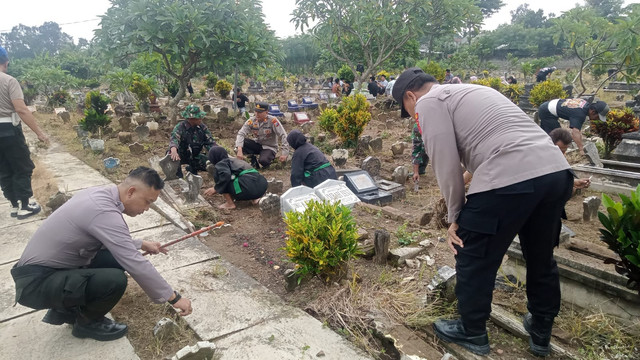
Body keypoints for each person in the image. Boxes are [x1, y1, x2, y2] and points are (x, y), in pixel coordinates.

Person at [393, 67, 573, 357]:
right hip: (555, 173)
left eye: (407, 109)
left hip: (510, 178)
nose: (413, 117)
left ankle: (472, 330)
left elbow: (445, 164)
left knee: (472, 252)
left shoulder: (428, 103)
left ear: (410, 96)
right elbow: (494, 145)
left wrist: (454, 218)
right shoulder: (474, 90)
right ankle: (540, 330)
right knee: (541, 256)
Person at [10, 167, 193, 341]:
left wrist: (141, 244)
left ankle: (67, 309)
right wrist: (173, 298)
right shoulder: (103, 211)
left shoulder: (98, 195)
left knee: (113, 260)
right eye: (148, 202)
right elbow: (134, 262)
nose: (147, 208)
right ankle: (86, 323)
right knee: (114, 280)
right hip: (36, 283)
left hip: (47, 271)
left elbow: (111, 240)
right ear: (131, 192)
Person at [0, 45, 49, 219]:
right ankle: (25, 206)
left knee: (4, 169)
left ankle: (14, 205)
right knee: (21, 166)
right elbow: (21, 109)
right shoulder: (9, 81)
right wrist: (39, 133)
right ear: (6, 62)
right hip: (9, 130)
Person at [538, 98, 609, 155]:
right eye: (598, 116)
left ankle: (542, 151)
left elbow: (578, 131)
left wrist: (581, 144)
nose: (597, 119)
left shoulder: (584, 104)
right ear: (593, 112)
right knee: (558, 138)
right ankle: (550, 155)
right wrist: (581, 149)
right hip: (547, 112)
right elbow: (575, 132)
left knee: (548, 136)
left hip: (548, 106)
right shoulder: (580, 114)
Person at [203, 146, 267, 209]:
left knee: (222, 178)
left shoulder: (221, 164)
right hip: (262, 186)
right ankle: (255, 199)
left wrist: (216, 188)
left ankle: (230, 204)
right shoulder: (235, 160)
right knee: (241, 178)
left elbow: (225, 176)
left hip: (248, 188)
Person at [235, 102, 289, 169]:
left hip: (269, 147)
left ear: (266, 112)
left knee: (263, 161)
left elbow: (283, 135)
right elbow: (241, 133)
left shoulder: (273, 121)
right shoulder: (252, 121)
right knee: (240, 143)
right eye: (256, 112)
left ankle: (267, 159)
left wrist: (284, 153)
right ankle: (252, 158)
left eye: (259, 112)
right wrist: (239, 150)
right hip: (257, 144)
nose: (257, 114)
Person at [168, 104, 216, 178]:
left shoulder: (202, 127)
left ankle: (192, 170)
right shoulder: (181, 127)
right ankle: (178, 177)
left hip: (196, 155)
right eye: (198, 117)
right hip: (182, 155)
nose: (201, 119)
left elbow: (211, 142)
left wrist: (218, 153)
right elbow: (174, 139)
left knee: (213, 162)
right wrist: (173, 150)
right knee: (170, 154)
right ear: (191, 119)